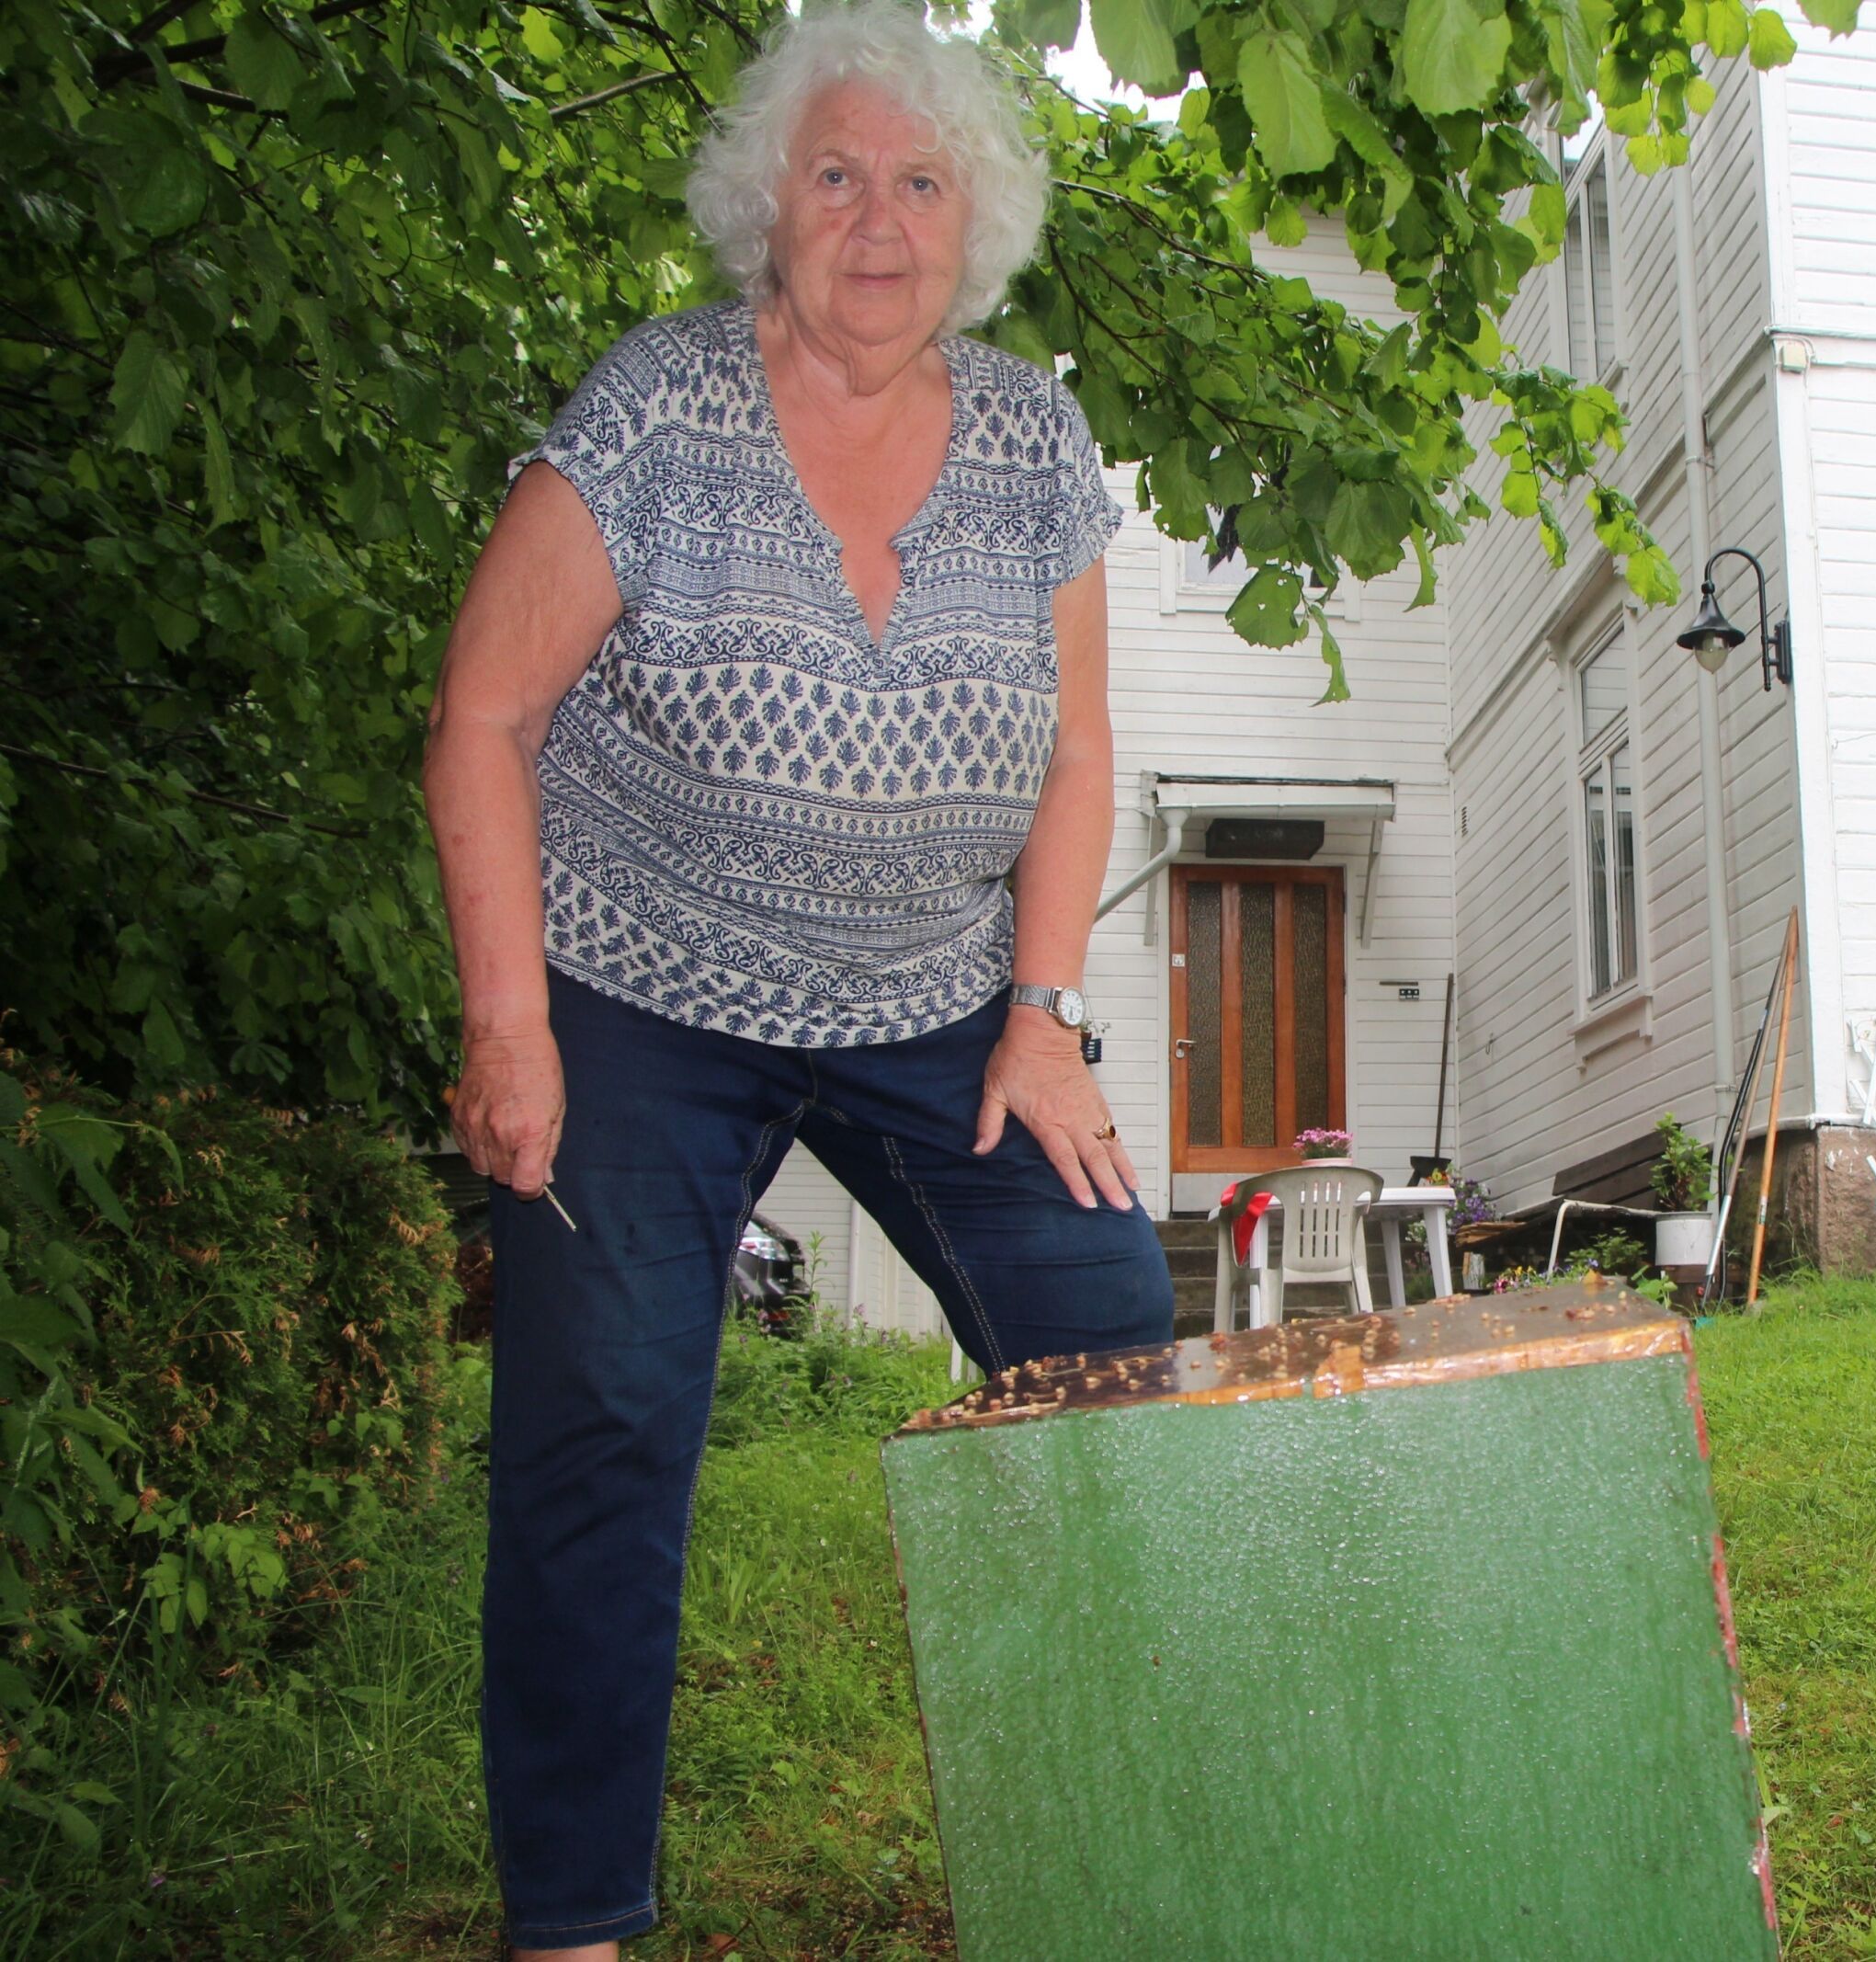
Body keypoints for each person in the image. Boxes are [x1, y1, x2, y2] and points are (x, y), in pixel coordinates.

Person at [421, 8, 1172, 1954]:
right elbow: (485, 711)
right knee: (603, 1423)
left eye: (921, 181)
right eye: (836, 173)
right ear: (771, 203)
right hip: (639, 987)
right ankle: (574, 1919)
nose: (877, 220)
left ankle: (1124, 1848)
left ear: (975, 222)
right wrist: (511, 1024)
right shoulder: (662, 411)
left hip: (937, 996)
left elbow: (1080, 754)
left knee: (1109, 1323)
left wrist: (1042, 1012)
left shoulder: (1030, 443)